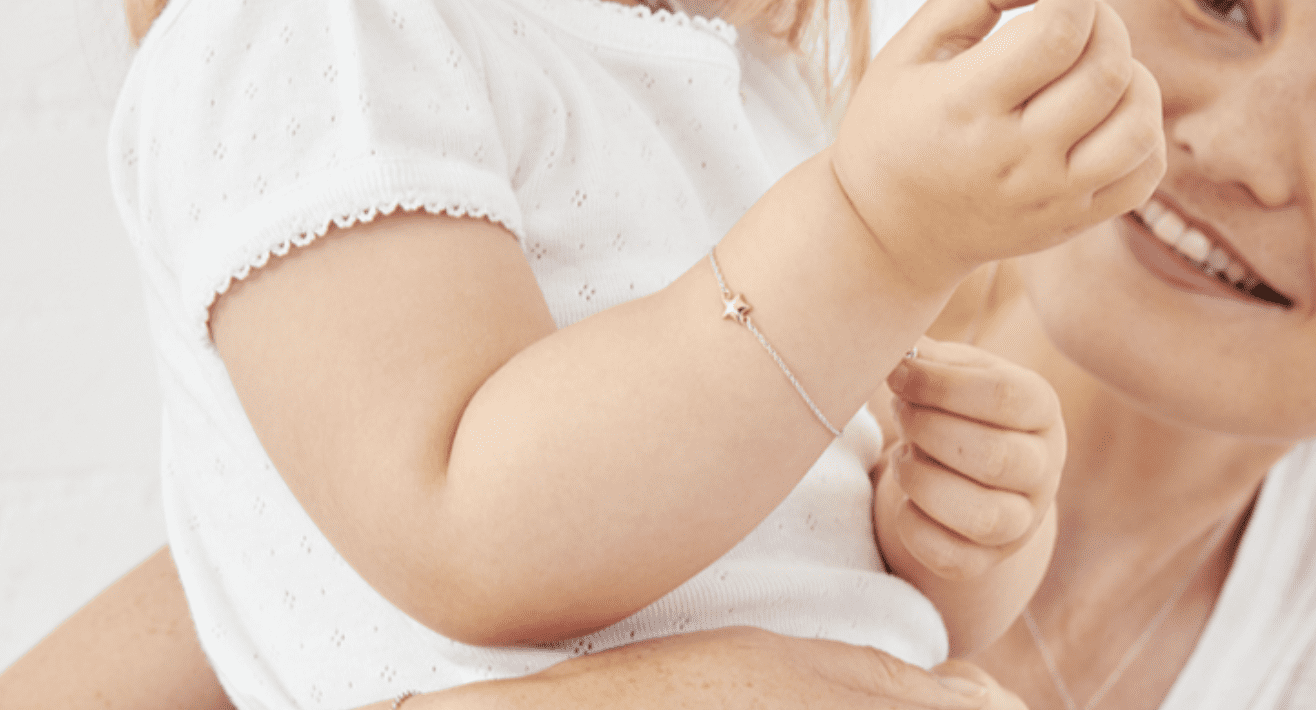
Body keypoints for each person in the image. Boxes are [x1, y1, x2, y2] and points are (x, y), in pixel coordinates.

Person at [0, 0, 1173, 709]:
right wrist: (873, 239)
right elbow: (469, 524)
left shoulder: (749, 83)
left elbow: (810, 551)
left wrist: (955, 530)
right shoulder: (322, 37)